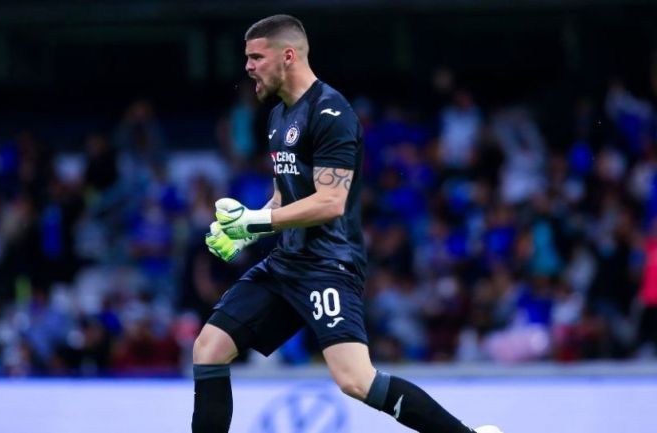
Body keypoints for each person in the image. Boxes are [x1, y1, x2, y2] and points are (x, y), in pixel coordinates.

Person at [192, 14, 503, 433]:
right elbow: (286, 197)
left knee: (356, 381)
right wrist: (246, 230)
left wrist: (255, 221)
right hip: (287, 262)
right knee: (209, 348)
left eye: (255, 56)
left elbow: (331, 202)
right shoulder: (279, 116)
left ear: (287, 56)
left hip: (328, 265)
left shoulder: (330, 111)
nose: (247, 66)